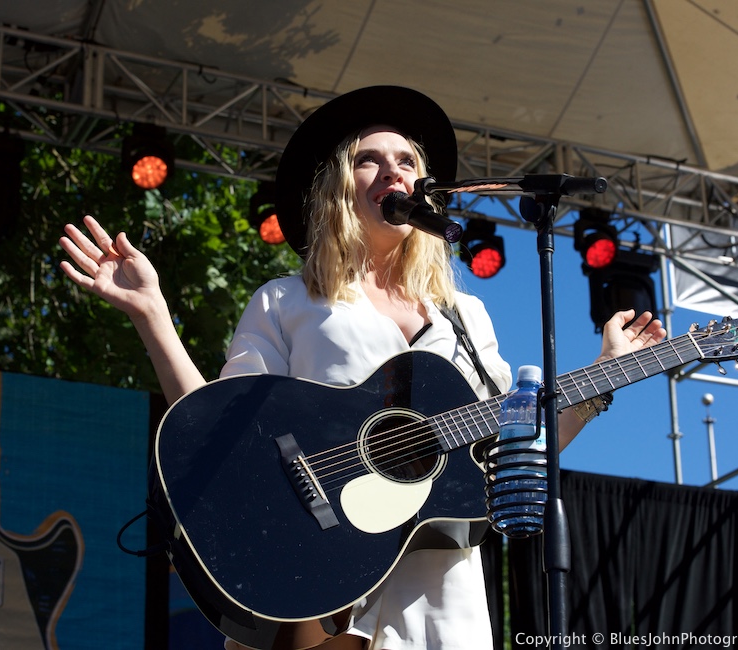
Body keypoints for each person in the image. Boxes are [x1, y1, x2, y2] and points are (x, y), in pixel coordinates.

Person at [59, 86, 666, 650]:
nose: (393, 170)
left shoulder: (465, 316)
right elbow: (217, 441)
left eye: (406, 160)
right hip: (321, 585)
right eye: (369, 160)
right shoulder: (289, 300)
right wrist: (153, 314)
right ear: (337, 187)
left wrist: (604, 378)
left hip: (441, 595)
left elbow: (516, 454)